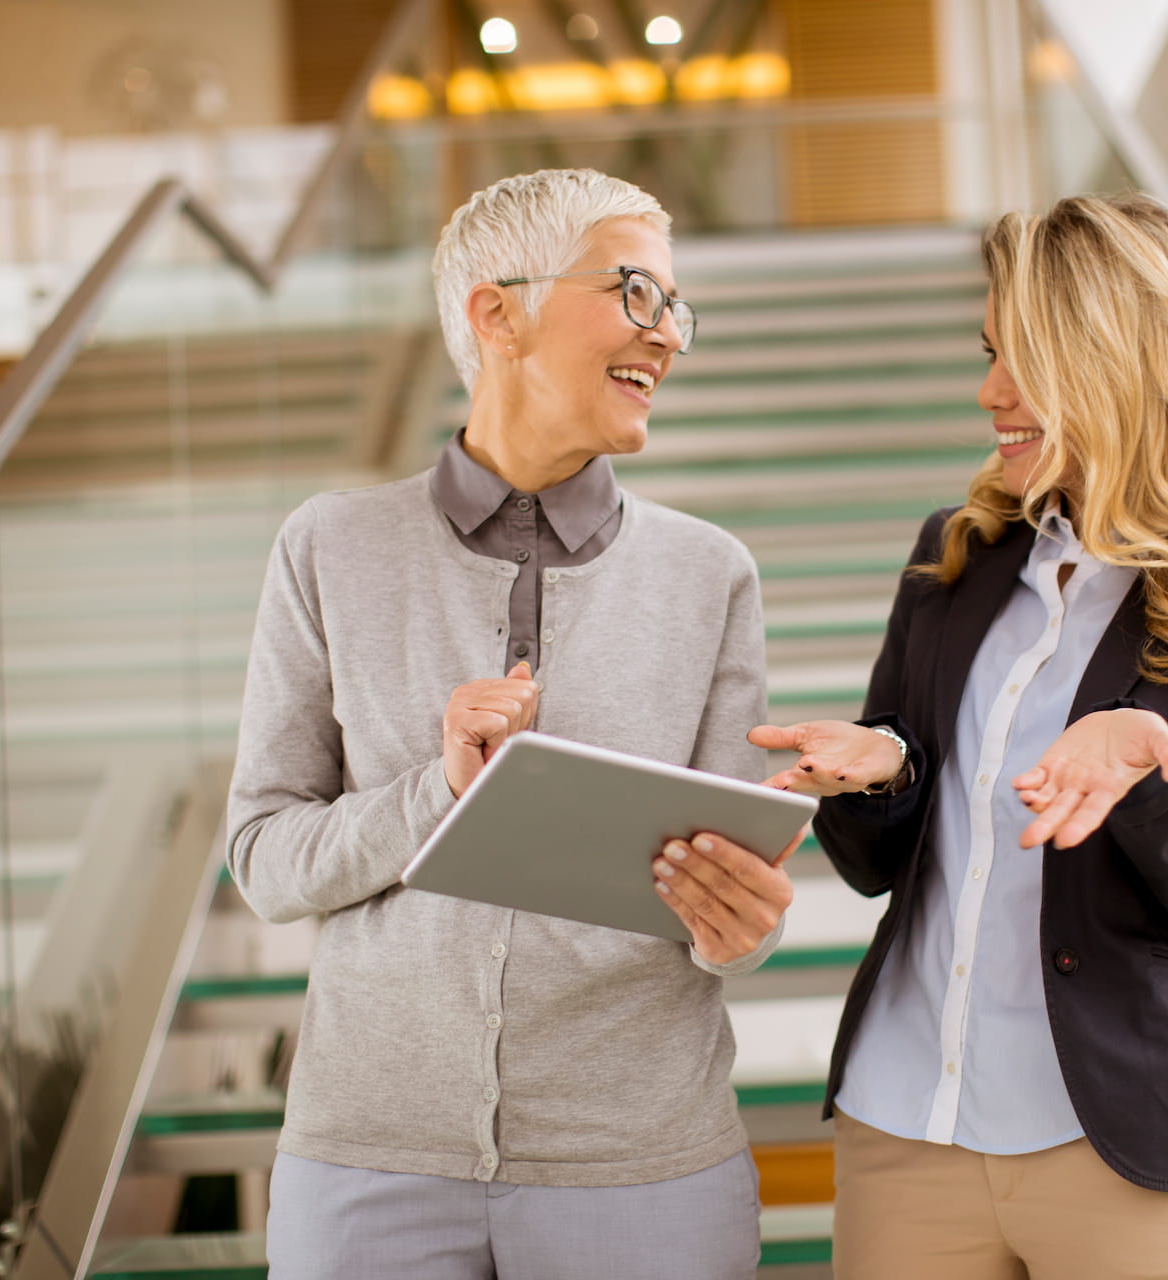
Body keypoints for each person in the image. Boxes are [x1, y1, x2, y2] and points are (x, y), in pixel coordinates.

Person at [751, 193, 1168, 1280]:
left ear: (1119, 357)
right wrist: (883, 770)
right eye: (990, 353)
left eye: (1024, 358)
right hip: (908, 1128)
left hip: (1132, 1147)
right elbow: (878, 865)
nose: (990, 393)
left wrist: (1149, 767)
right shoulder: (959, 551)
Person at [226, 169, 795, 1280]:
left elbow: (735, 892)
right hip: (367, 1167)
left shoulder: (709, 573)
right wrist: (435, 793)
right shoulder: (331, 547)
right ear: (498, 313)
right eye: (636, 292)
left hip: (645, 1170)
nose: (667, 333)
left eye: (674, 305)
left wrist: (744, 921)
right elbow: (264, 860)